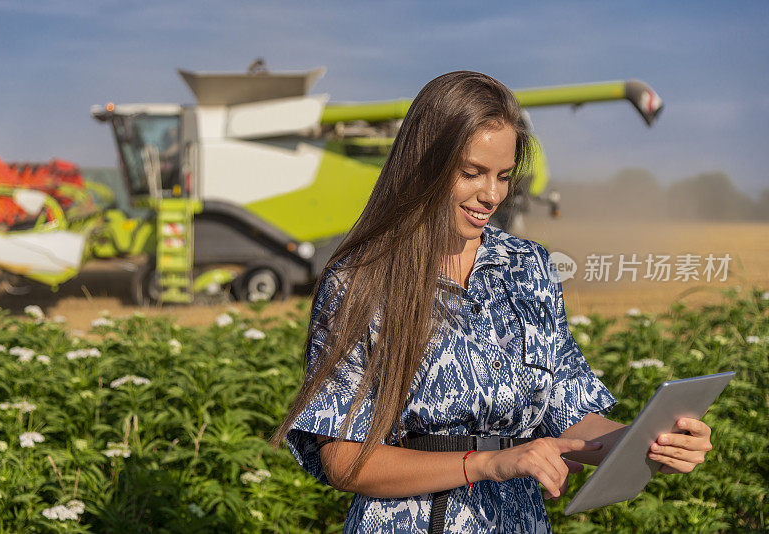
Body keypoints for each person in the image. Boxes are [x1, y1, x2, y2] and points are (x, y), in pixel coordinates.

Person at [269, 71, 713, 533]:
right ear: (425, 164)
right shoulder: (359, 280)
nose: (492, 195)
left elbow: (571, 418)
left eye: (503, 176)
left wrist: (649, 446)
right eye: (471, 173)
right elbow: (343, 461)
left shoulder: (530, 267)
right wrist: (489, 463)